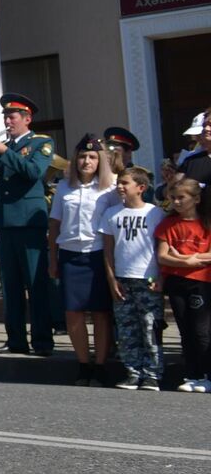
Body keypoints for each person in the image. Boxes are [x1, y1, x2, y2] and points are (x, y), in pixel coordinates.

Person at [0, 93, 58, 356]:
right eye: (5, 117)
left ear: (26, 118)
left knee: (36, 285)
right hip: (5, 222)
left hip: (28, 223)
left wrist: (2, 151)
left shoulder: (41, 143)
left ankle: (43, 341)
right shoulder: (4, 147)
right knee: (10, 286)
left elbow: (33, 172)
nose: (7, 121)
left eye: (12, 117)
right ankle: (15, 340)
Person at [49, 134, 114, 384]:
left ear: (101, 161)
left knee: (100, 312)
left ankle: (100, 365)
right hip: (70, 254)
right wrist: (52, 258)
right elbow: (55, 223)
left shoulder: (110, 187)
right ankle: (83, 364)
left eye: (93, 157)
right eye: (83, 156)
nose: (87, 161)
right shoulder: (64, 187)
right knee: (73, 312)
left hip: (97, 253)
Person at [102, 166, 165, 391]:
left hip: (147, 278)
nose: (120, 186)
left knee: (150, 327)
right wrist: (112, 280)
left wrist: (161, 276)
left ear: (141, 188)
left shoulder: (155, 213)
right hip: (122, 279)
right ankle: (133, 371)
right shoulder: (111, 214)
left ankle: (152, 374)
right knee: (127, 329)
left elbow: (160, 248)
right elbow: (108, 250)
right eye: (119, 182)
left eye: (125, 183)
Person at [155, 177, 211, 392]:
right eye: (173, 198)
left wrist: (192, 258)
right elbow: (162, 256)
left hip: (201, 282)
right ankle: (192, 374)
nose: (177, 202)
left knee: (201, 330)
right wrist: (187, 261)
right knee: (185, 329)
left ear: (196, 199)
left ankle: (206, 374)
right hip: (177, 282)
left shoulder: (205, 223)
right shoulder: (168, 224)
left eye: (181, 198)